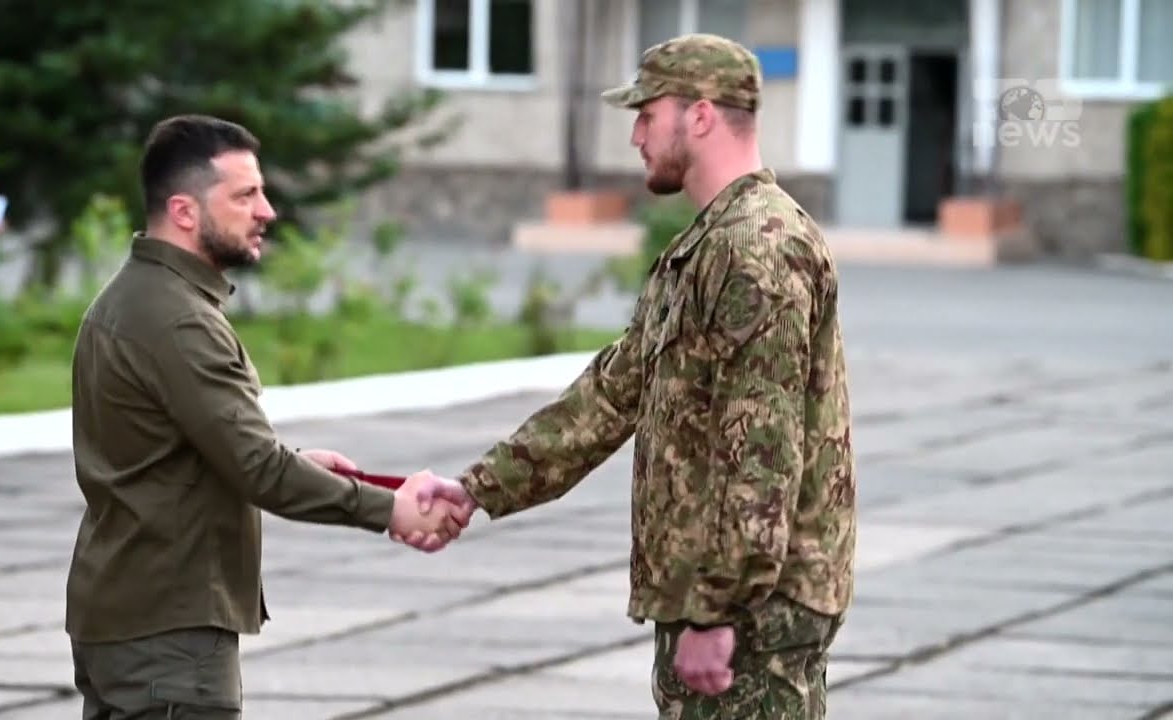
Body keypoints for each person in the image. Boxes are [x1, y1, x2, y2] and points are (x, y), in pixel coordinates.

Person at [404, 34, 857, 719]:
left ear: (700, 116)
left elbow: (762, 448)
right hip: (722, 599)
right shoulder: (710, 245)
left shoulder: (756, 249)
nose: (636, 136)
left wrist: (719, 611)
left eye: (647, 114)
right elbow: (610, 395)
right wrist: (478, 487)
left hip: (754, 614)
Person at [65, 113, 471, 719]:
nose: (267, 211)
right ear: (184, 211)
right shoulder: (178, 319)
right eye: (245, 195)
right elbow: (258, 468)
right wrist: (390, 508)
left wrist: (300, 463)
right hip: (169, 639)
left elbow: (183, 453)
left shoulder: (132, 298)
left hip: (127, 618)